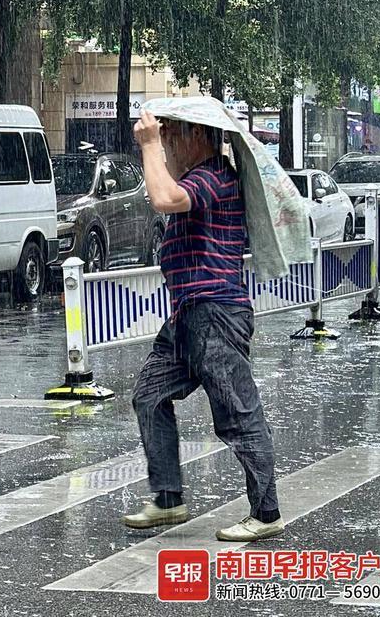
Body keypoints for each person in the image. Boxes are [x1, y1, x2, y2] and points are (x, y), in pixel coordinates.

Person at [123, 110, 284, 542]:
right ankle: (169, 498)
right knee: (149, 397)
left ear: (196, 136)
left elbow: (163, 198)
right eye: (165, 136)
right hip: (188, 317)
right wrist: (156, 144)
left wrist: (149, 144)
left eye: (173, 134)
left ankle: (266, 512)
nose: (168, 144)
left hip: (215, 314)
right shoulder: (201, 175)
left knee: (237, 412)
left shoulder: (213, 177)